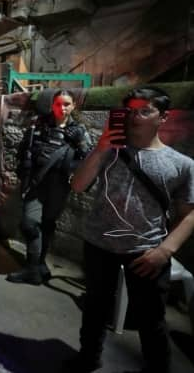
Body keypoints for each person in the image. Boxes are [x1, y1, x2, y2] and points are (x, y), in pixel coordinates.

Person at [68, 86, 194, 373]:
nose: (135, 117)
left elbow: (189, 216)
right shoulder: (108, 152)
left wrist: (165, 251)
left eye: (145, 111)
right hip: (100, 243)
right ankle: (87, 359)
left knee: (151, 320)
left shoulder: (182, 164)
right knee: (95, 311)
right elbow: (77, 185)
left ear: (163, 117)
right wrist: (100, 149)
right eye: (131, 110)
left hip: (146, 249)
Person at [7, 89, 90, 285]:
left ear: (73, 106)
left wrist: (80, 142)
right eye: (58, 104)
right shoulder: (39, 125)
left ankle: (38, 264)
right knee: (29, 224)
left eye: (66, 104)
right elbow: (24, 150)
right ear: (52, 105)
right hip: (37, 182)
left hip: (59, 185)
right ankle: (32, 269)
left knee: (47, 225)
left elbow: (89, 158)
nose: (62, 108)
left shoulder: (79, 130)